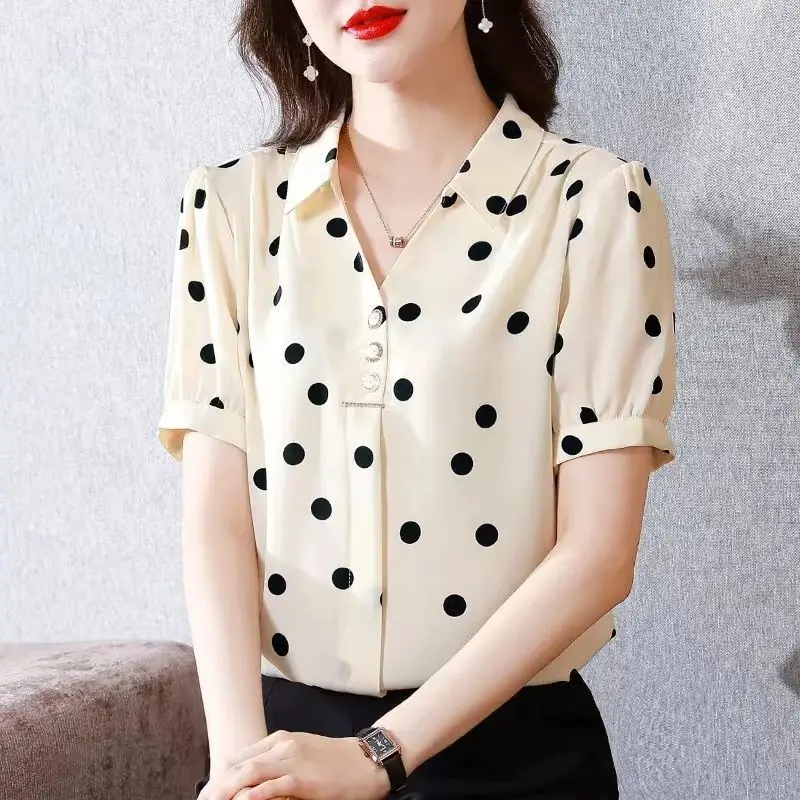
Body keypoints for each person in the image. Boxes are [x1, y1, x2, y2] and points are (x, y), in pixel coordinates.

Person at [156, 1, 678, 798]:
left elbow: (599, 555)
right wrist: (239, 772)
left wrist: (378, 755)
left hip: (516, 764)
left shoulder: (595, 203)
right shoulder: (231, 208)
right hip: (280, 754)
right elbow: (216, 522)